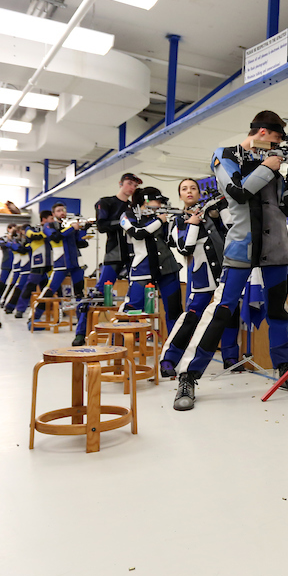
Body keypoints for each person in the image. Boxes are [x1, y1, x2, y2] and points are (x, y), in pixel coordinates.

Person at [175, 111, 288, 404]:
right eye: (274, 139)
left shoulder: (272, 165)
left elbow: (285, 209)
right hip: (241, 246)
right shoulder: (224, 155)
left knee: (278, 313)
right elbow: (238, 192)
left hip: (275, 249)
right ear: (261, 133)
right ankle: (188, 376)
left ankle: (285, 369)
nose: (276, 146)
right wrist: (268, 167)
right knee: (221, 311)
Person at [161, 179, 241, 409]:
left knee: (229, 317)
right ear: (180, 195)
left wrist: (217, 214)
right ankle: (169, 359)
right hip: (201, 280)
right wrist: (194, 222)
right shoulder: (177, 220)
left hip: (223, 278)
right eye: (184, 189)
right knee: (191, 319)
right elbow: (184, 247)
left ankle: (230, 357)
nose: (189, 191)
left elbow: (231, 232)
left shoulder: (212, 213)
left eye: (193, 188)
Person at [119, 186, 182, 326]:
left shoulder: (160, 216)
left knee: (174, 312)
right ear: (146, 201)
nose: (160, 205)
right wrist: (160, 221)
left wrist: (175, 222)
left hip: (167, 267)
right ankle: (118, 344)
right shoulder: (128, 215)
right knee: (131, 309)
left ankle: (174, 347)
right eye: (157, 202)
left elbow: (171, 242)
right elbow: (137, 232)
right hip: (142, 268)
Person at [36, 203, 90, 328]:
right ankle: (33, 318)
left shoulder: (69, 226)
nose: (62, 212)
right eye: (59, 210)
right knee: (49, 291)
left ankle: (81, 323)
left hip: (76, 263)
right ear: (53, 214)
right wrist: (72, 228)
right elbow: (55, 237)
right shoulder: (48, 225)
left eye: (64, 210)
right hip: (61, 263)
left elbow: (81, 243)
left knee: (79, 293)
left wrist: (84, 230)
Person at [94, 173, 141, 287]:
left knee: (136, 288)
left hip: (133, 253)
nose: (132, 188)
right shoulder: (106, 202)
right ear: (120, 184)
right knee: (103, 289)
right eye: (129, 184)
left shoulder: (134, 207)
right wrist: (124, 223)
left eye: (135, 186)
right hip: (114, 252)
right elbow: (101, 226)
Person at [13, 210, 53, 320]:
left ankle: (54, 309)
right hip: (38, 262)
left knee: (50, 288)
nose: (52, 221)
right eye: (51, 218)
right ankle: (20, 310)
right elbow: (33, 236)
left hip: (50, 263)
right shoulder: (31, 228)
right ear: (44, 219)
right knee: (29, 286)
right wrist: (46, 232)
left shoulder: (52, 229)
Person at [0, 224, 18, 304]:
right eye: (13, 229)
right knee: (2, 282)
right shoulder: (1, 238)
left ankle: (11, 300)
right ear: (8, 229)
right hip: (6, 262)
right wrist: (10, 242)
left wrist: (11, 242)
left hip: (17, 263)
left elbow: (17, 246)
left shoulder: (18, 238)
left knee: (15, 282)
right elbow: (3, 244)